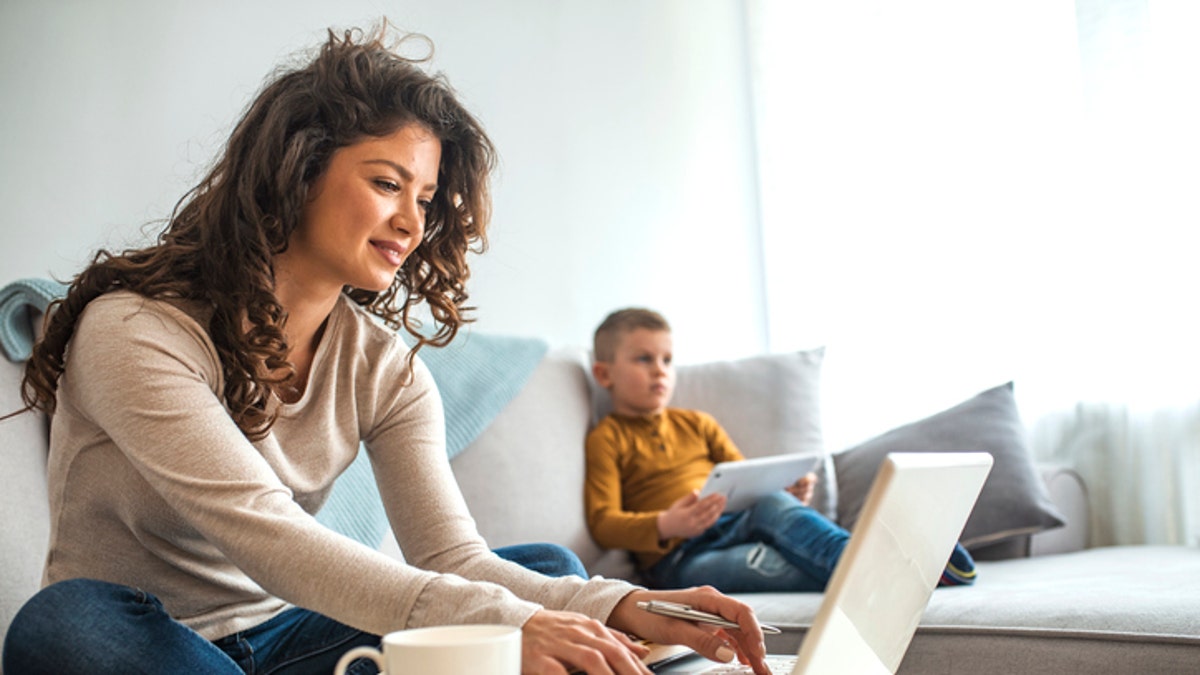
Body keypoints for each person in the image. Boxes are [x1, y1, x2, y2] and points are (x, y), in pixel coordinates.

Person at [0, 26, 773, 675]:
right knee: (63, 621)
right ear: (298, 171)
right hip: (143, 639)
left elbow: (455, 558)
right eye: (385, 183)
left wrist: (625, 602)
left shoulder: (384, 367)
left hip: (287, 637)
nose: (411, 221)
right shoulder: (136, 331)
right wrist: (509, 627)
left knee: (549, 572)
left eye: (425, 198)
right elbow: (265, 531)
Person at [585, 308, 978, 593]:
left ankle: (891, 564)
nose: (660, 370)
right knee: (775, 565)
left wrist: (782, 490)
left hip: (739, 521)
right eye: (644, 359)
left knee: (774, 502)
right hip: (680, 559)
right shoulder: (607, 438)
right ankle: (908, 569)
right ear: (604, 373)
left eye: (667, 360)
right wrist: (666, 525)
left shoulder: (696, 423)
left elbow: (745, 480)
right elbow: (602, 522)